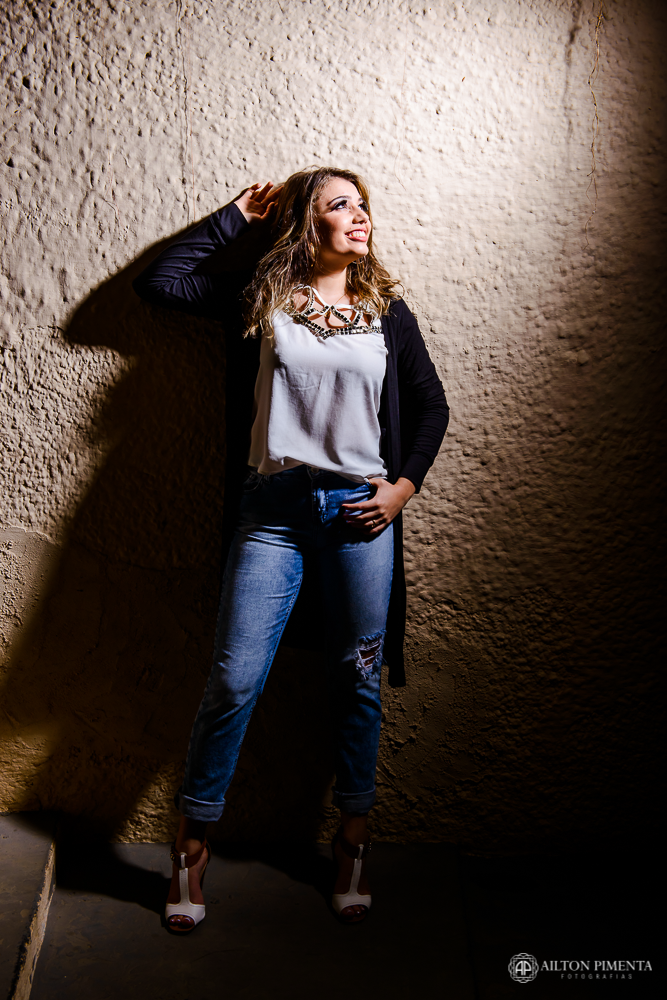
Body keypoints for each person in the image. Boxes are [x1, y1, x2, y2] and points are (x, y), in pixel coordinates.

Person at [132, 167, 449, 931]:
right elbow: (159, 284)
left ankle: (353, 841)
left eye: (363, 204)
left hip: (359, 515)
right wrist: (233, 219)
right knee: (234, 679)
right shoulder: (261, 300)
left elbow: (430, 405)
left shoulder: (385, 312)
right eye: (340, 205)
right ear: (308, 223)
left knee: (356, 678)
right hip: (270, 513)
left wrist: (401, 490)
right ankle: (191, 848)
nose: (360, 215)